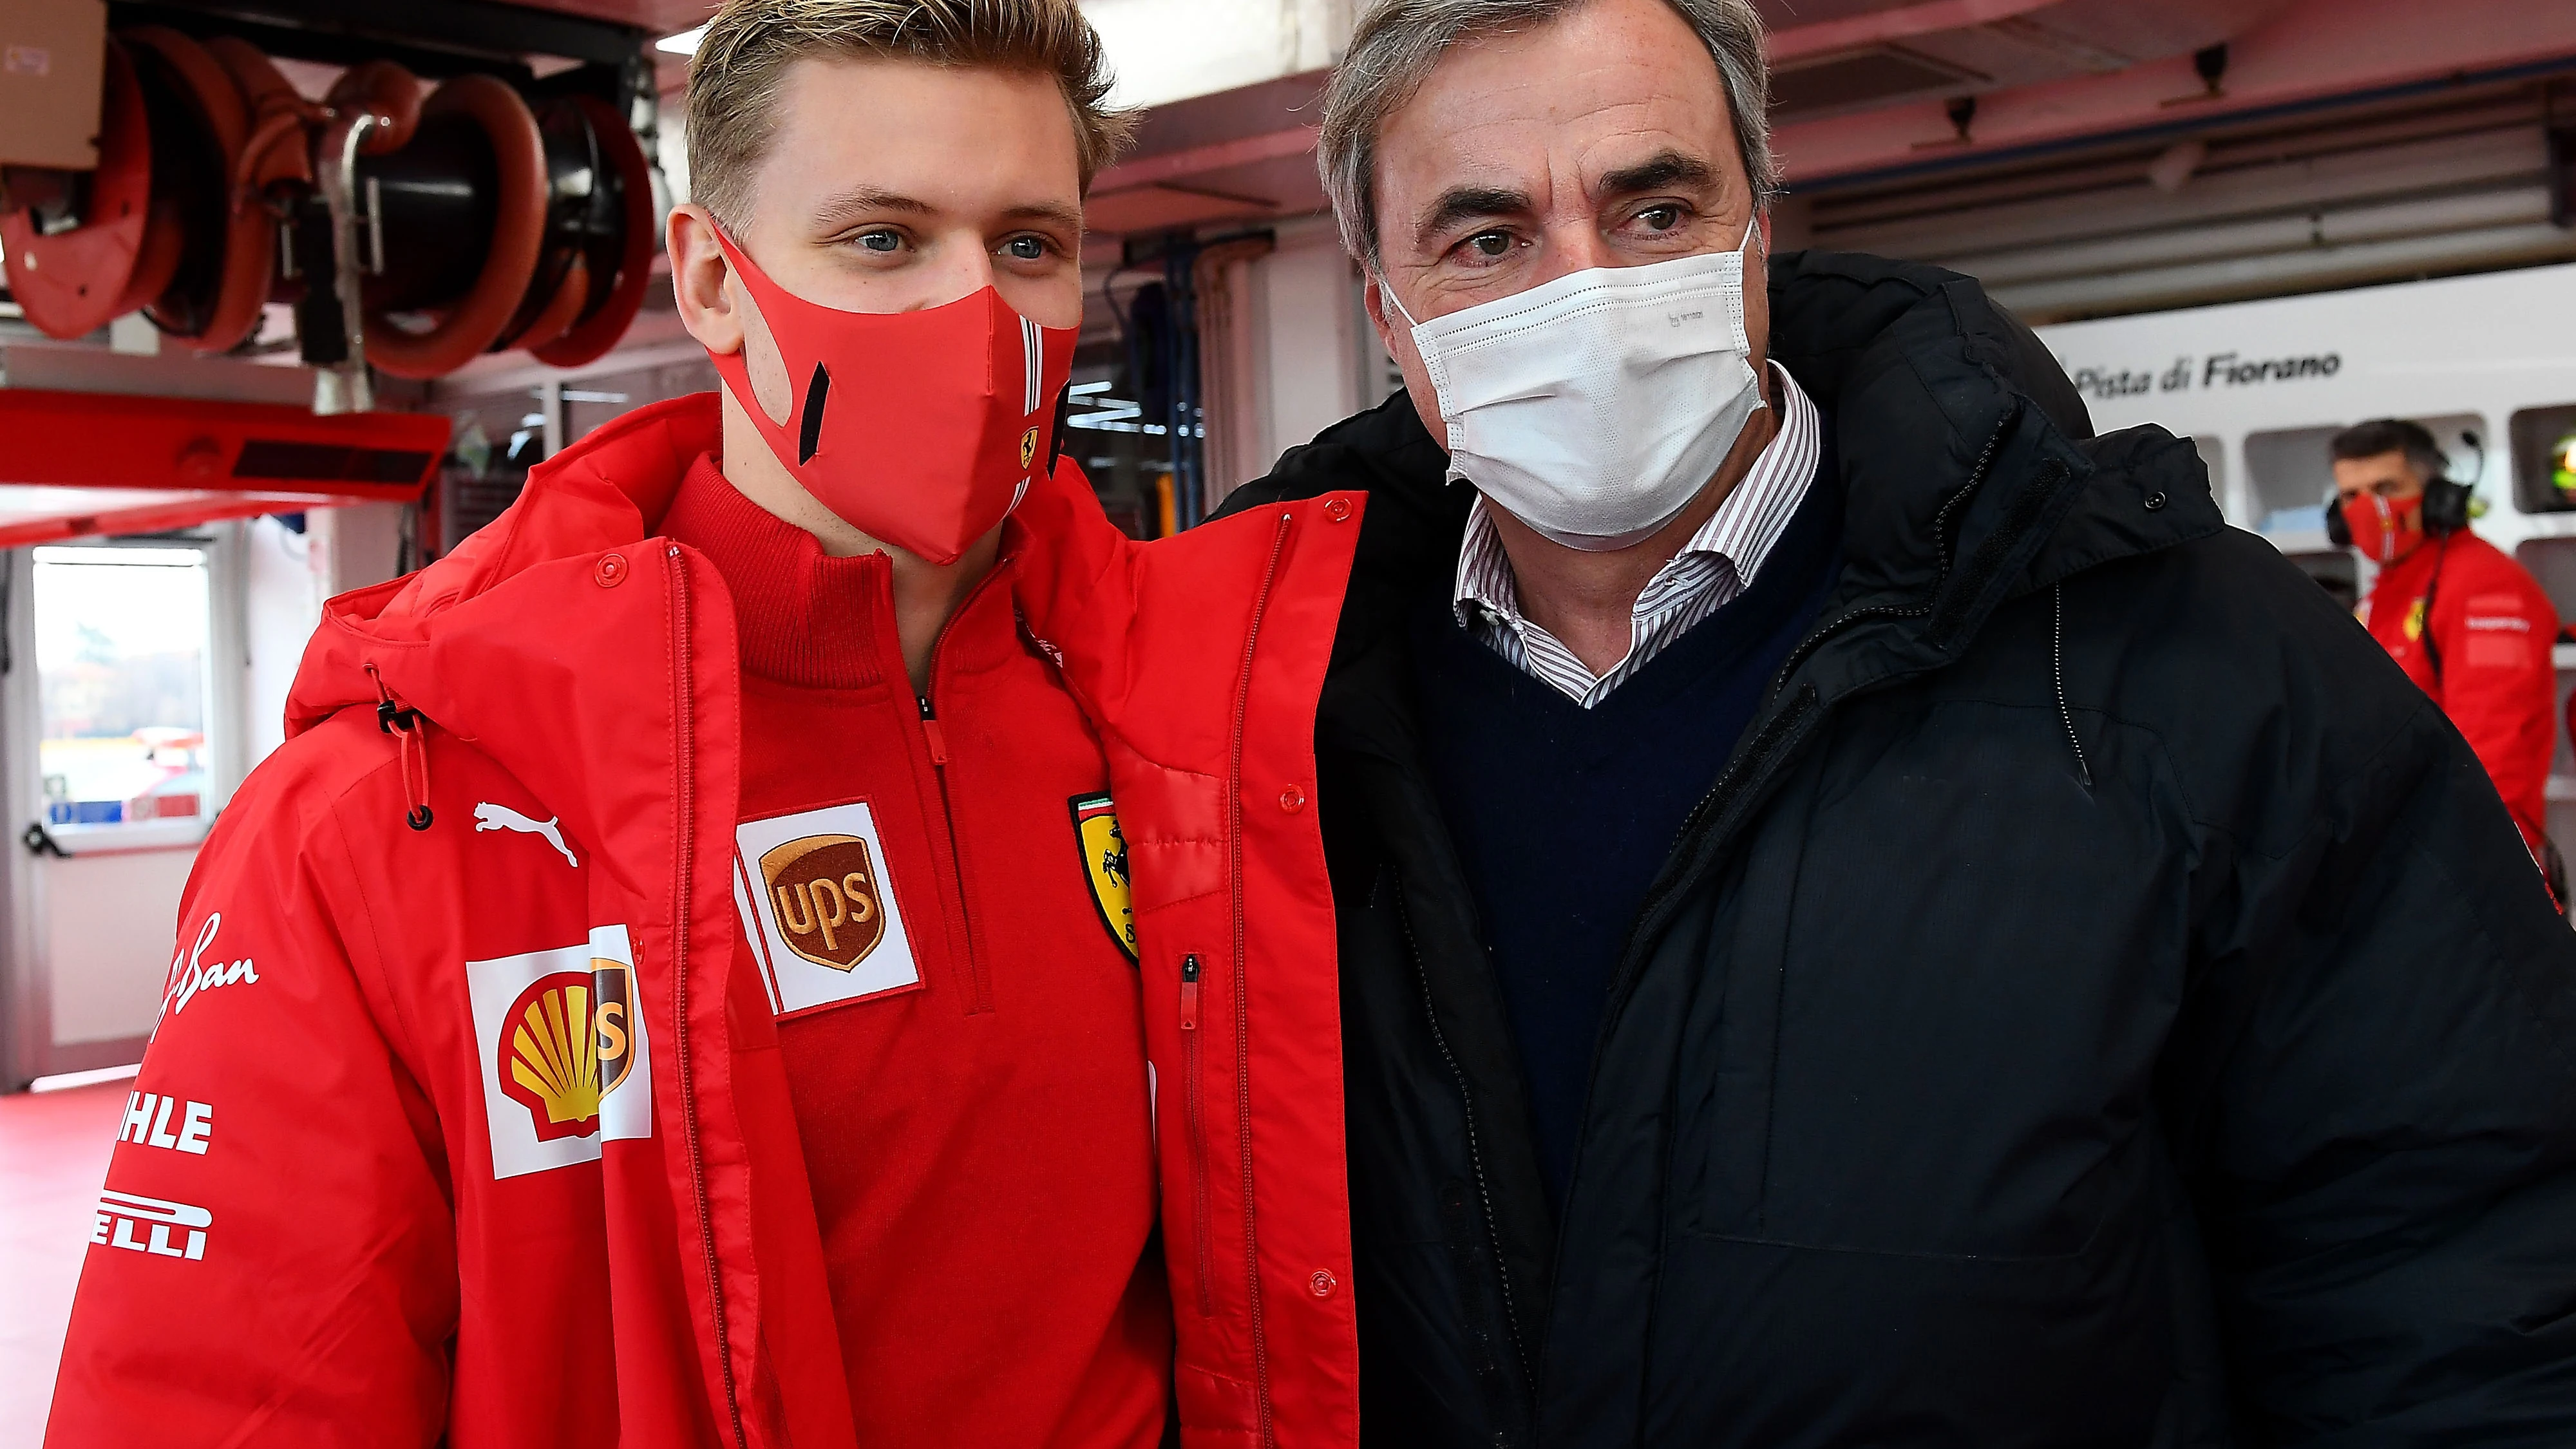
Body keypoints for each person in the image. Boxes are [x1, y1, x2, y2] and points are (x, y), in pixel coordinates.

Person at [1012, 0, 2576, 1443]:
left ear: (1756, 233)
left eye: (1655, 209)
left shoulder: (2188, 663)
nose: (1591, 293)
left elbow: (2460, 1271)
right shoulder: (1258, 716)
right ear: (1389, 313)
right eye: (1485, 238)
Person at [44, 4, 1360, 1445]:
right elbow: (226, 1402)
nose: (971, 314)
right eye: (881, 237)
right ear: (709, 284)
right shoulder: (391, 809)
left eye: (1027, 245)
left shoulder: (1184, 727)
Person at [2333, 417, 2561, 866]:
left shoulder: (2485, 585)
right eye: (2351, 496)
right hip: (2404, 856)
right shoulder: (2386, 594)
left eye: (2386, 487)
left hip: (2469, 862)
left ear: (2438, 497)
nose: (2369, 509)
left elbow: (2492, 752)